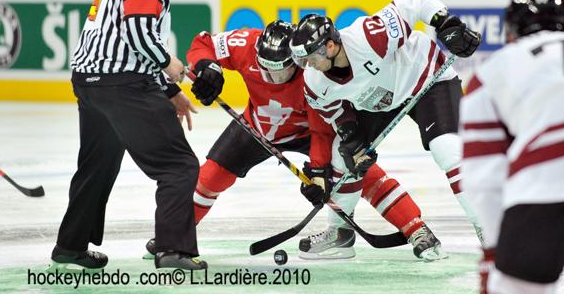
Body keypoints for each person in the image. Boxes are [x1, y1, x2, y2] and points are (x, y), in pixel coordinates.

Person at [145, 20, 446, 261]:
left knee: (359, 173)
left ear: (297, 61)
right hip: (256, 126)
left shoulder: (312, 77)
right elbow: (204, 43)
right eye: (267, 70)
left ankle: (416, 228)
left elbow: (321, 131)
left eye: (283, 72)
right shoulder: (246, 44)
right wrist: (207, 67)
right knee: (210, 176)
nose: (274, 79)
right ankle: (174, 238)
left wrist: (318, 173)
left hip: (307, 132)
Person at [50, 0, 211, 272]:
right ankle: (173, 250)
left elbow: (127, 38)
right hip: (121, 84)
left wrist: (169, 91)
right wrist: (170, 64)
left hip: (91, 82)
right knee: (178, 165)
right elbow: (139, 33)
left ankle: (70, 246)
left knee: (98, 165)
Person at [289, 0, 484, 245]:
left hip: (425, 79)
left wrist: (446, 24)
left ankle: (487, 227)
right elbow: (334, 111)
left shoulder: (369, 37)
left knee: (446, 148)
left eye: (311, 58)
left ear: (331, 46)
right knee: (343, 156)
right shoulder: (314, 81)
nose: (307, 65)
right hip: (378, 102)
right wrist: (351, 136)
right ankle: (340, 234)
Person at [460, 0, 564, 294]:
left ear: (510, 30)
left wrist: (494, 249)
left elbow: (484, 177)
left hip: (543, 190)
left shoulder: (492, 71)